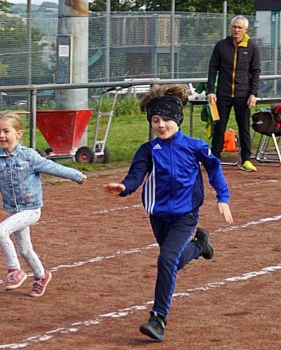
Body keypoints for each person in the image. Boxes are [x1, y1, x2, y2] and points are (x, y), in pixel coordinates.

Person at [103, 84, 233, 342]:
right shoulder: (148, 150)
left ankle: (158, 319)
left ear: (178, 119)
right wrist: (124, 187)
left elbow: (214, 167)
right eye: (155, 120)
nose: (161, 125)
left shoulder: (195, 146)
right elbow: (135, 175)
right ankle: (199, 245)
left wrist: (223, 197)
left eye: (166, 119)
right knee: (174, 262)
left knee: (166, 260)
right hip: (159, 216)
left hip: (186, 216)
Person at [0, 112, 86, 297]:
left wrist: (77, 175)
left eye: (6, 131)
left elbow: (53, 168)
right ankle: (41, 276)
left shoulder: (29, 156)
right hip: (14, 211)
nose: (1, 135)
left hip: (31, 209)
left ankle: (14, 271)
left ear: (18, 134)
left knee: (0, 231)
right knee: (24, 249)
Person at [206, 15, 261, 172]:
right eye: (234, 27)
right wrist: (211, 91)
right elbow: (212, 69)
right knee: (219, 127)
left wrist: (253, 94)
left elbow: (255, 72)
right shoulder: (221, 46)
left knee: (244, 127)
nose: (236, 30)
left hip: (243, 96)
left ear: (246, 29)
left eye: (240, 27)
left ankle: (246, 160)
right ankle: (214, 160)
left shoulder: (252, 47)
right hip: (222, 95)